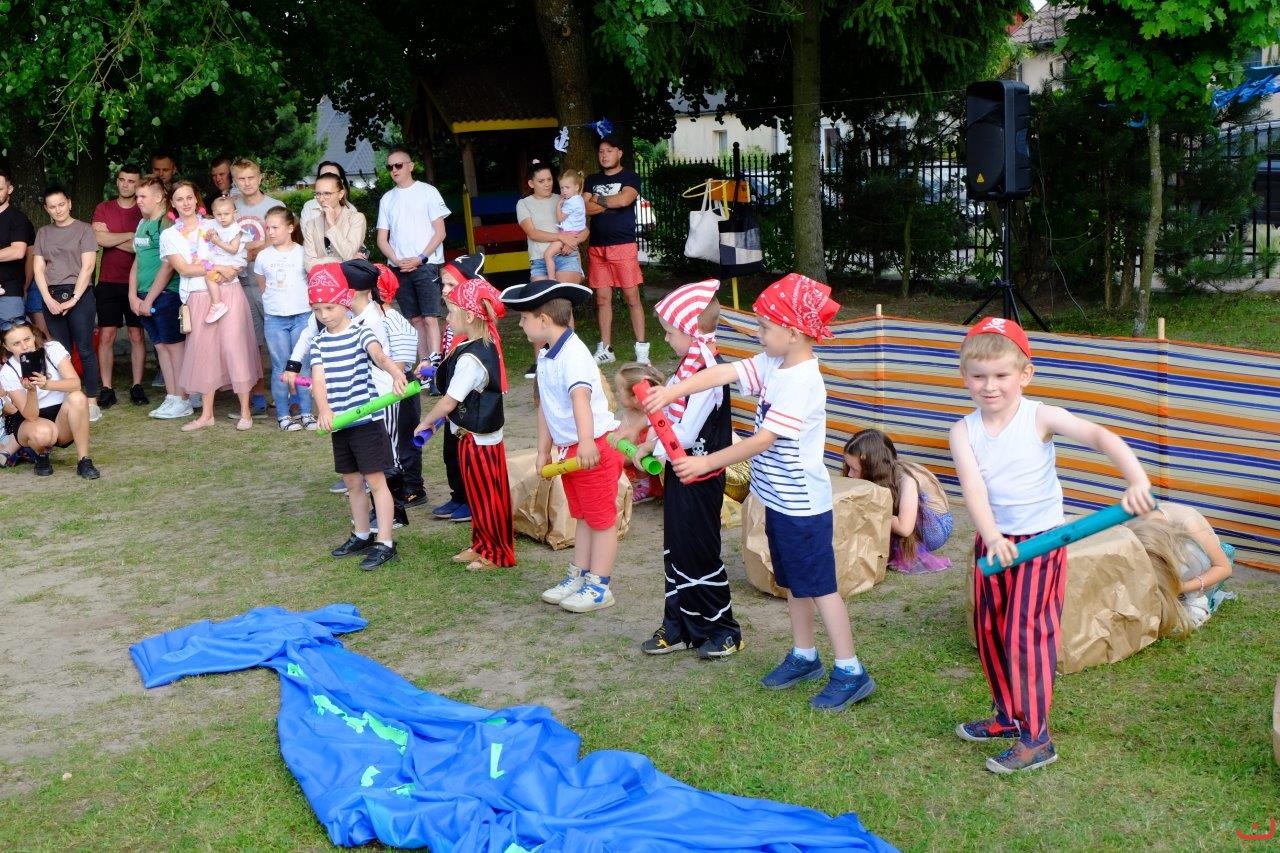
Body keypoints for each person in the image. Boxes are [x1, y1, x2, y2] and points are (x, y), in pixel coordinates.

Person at [643, 273, 873, 710]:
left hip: (802, 507)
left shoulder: (801, 381)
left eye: (765, 327)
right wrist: (674, 391)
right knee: (794, 584)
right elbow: (723, 372)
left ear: (794, 332)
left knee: (820, 587)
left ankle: (850, 669)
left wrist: (706, 462)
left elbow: (763, 440)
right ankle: (805, 655)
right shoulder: (774, 362)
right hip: (779, 500)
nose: (759, 334)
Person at [948, 316, 1155, 774]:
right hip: (994, 544)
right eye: (978, 376)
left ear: (1025, 374)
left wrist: (1137, 479)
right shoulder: (963, 430)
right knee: (989, 631)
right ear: (964, 376)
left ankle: (1037, 738)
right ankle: (1007, 717)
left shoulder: (1039, 416)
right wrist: (992, 536)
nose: (989, 386)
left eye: (1001, 375)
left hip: (1040, 545)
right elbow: (974, 489)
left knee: (1027, 636)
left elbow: (1100, 436)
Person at [632, 278, 743, 658]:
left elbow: (684, 431)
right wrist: (649, 442)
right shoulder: (686, 369)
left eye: (670, 332)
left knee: (699, 552)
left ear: (691, 332)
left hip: (702, 476)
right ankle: (679, 625)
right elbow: (668, 419)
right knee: (676, 549)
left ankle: (723, 629)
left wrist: (653, 442)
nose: (665, 338)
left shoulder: (707, 374)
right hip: (680, 474)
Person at [501, 278, 624, 613]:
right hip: (574, 451)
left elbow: (580, 398)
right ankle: (579, 575)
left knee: (601, 520)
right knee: (583, 516)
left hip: (593, 449)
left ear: (543, 320)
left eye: (524, 318)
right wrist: (543, 450)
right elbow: (547, 407)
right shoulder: (546, 356)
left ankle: (600, 586)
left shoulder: (574, 354)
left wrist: (585, 442)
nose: (521, 324)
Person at [307, 266, 405, 571]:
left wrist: (396, 373)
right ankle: (362, 534)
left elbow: (379, 355)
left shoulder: (361, 331)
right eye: (317, 309)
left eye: (329, 307)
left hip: (366, 422)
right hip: (341, 424)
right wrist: (324, 410)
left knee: (376, 481)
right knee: (351, 481)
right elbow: (318, 381)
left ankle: (385, 542)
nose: (324, 315)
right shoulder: (319, 342)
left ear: (345, 301)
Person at [416, 277, 515, 571]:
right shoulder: (474, 345)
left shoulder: (472, 358)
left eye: (451, 312)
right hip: (469, 436)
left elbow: (449, 401)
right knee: (477, 494)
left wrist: (425, 422)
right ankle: (481, 545)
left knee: (488, 497)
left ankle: (496, 553)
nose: (447, 318)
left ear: (469, 316)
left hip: (479, 440)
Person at [163, 180, 260, 431]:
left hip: (229, 291)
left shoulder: (215, 223)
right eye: (179, 199)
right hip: (197, 295)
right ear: (172, 203)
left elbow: (240, 251)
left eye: (189, 197)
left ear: (196, 199)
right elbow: (184, 268)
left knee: (235, 348)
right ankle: (207, 414)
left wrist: (234, 268)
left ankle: (245, 412)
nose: (185, 203)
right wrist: (218, 267)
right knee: (204, 352)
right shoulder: (169, 235)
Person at [33, 185, 102, 422]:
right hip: (51, 295)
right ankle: (69, 397)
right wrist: (47, 299)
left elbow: (88, 267)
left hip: (80, 293)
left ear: (69, 203)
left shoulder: (84, 229)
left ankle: (91, 399)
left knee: (84, 348)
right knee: (60, 350)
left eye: (61, 204)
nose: (58, 210)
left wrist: (74, 299)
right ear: (46, 209)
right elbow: (38, 268)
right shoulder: (43, 232)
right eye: (52, 206)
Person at [0, 317, 99, 478]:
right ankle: (41, 455)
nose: (24, 346)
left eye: (27, 339)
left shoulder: (52, 349)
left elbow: (75, 384)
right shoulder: (8, 372)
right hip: (31, 421)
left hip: (62, 415)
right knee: (43, 433)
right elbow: (30, 416)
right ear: (6, 346)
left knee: (78, 397)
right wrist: (32, 391)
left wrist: (47, 384)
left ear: (34, 335)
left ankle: (84, 461)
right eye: (16, 343)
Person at [376, 145, 450, 363]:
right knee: (415, 319)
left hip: (426, 264)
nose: (394, 170)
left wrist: (420, 258)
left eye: (398, 165)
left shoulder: (428, 191)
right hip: (399, 267)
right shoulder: (387, 198)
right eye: (390, 167)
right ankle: (424, 365)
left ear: (411, 166)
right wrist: (397, 261)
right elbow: (382, 239)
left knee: (430, 317)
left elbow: (440, 232)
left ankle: (435, 366)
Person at [842, 428, 952, 574]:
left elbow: (904, 528)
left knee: (867, 509)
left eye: (854, 469)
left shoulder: (907, 479)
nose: (850, 474)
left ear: (872, 466)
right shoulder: (887, 470)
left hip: (935, 528)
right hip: (917, 522)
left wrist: (866, 509)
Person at [128, 175, 192, 420]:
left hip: (166, 295)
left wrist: (149, 299)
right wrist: (133, 296)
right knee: (161, 347)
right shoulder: (142, 224)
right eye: (137, 196)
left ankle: (184, 398)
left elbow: (168, 266)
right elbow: (137, 260)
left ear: (158, 197)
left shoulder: (167, 224)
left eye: (143, 196)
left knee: (175, 347)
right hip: (144, 296)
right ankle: (172, 395)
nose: (138, 200)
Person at [428, 253, 486, 519]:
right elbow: (449, 356)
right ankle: (458, 495)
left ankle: (472, 499)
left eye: (451, 284)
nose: (445, 289)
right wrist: (432, 368)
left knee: (468, 454)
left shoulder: (473, 323)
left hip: (469, 402)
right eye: (444, 284)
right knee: (450, 451)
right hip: (454, 394)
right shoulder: (453, 320)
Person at [584, 137, 647, 366]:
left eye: (609, 150)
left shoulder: (630, 177)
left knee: (632, 298)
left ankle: (641, 348)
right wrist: (610, 201)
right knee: (602, 299)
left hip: (623, 245)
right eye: (601, 151)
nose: (604, 155)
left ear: (619, 153)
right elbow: (585, 207)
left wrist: (597, 200)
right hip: (597, 247)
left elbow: (624, 200)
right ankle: (606, 348)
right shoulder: (592, 179)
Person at [1127, 502, 1234, 631]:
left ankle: (1197, 600)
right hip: (1172, 563)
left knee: (1189, 552)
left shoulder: (1189, 525)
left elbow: (1224, 568)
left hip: (1208, 565)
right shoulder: (1131, 524)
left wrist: (1181, 587)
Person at [91, 164, 147, 409]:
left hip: (138, 282)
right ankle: (107, 388)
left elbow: (143, 246)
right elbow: (99, 239)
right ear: (117, 181)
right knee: (107, 335)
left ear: (139, 184)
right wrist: (130, 235)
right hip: (108, 282)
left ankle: (137, 386)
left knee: (136, 335)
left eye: (131, 181)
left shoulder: (144, 209)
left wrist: (113, 237)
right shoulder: (104, 208)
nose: (126, 185)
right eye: (122, 180)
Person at [254, 206, 314, 431]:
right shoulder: (263, 256)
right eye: (267, 227)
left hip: (302, 316)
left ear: (290, 228)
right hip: (275, 319)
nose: (270, 232)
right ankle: (283, 415)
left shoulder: (303, 252)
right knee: (280, 366)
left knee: (303, 365)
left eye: (275, 227)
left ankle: (306, 412)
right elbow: (263, 286)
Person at [232, 157, 281, 414]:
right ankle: (258, 393)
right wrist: (253, 249)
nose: (247, 183)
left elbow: (278, 241)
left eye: (251, 177)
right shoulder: (231, 208)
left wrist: (246, 251)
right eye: (241, 178)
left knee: (279, 341)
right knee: (253, 343)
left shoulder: (275, 206)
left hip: (271, 284)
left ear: (260, 177)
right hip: (241, 284)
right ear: (234, 181)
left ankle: (288, 392)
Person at [303, 171, 367, 270]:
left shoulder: (356, 219)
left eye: (327, 193)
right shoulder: (311, 225)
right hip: (322, 278)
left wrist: (332, 225)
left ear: (341, 194)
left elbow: (349, 254)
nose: (321, 199)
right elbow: (308, 265)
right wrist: (340, 260)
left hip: (349, 278)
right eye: (318, 194)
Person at [199, 195, 247, 325]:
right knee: (212, 276)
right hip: (221, 258)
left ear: (234, 213)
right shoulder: (214, 223)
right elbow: (206, 235)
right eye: (218, 214)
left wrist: (218, 242)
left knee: (209, 277)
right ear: (213, 214)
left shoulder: (236, 230)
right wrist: (209, 234)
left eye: (226, 214)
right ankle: (218, 303)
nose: (222, 217)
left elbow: (234, 249)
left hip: (232, 260)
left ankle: (217, 304)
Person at [0, 168, 36, 322]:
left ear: (10, 189)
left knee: (13, 335)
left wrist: (25, 286)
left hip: (8, 294)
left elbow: (18, 251)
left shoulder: (17, 219)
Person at [543, 170, 587, 274]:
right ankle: (580, 271)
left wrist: (558, 205)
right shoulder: (579, 198)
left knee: (548, 255)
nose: (564, 191)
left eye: (567, 187)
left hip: (567, 234)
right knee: (575, 251)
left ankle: (551, 279)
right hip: (576, 232)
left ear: (576, 187)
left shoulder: (570, 202)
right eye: (562, 188)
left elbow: (560, 218)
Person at [300, 161, 348, 226]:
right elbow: (306, 231)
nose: (327, 181)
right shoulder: (309, 207)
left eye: (333, 177)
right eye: (323, 176)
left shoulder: (351, 212)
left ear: (341, 182)